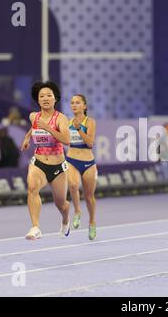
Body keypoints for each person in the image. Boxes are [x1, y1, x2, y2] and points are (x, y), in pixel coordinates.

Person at [20, 81, 71, 240]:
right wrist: (27, 138)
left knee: (61, 204)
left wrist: (48, 128)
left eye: (49, 95)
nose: (45, 98)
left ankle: (65, 219)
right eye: (42, 96)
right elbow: (33, 127)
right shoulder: (34, 116)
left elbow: (66, 140)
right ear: (38, 99)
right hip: (39, 163)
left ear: (55, 99)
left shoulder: (61, 118)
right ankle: (35, 227)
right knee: (32, 188)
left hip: (57, 168)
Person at [66, 94, 98, 240]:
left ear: (84, 106)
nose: (74, 105)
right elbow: (64, 140)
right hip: (71, 159)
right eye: (72, 103)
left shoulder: (90, 122)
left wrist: (79, 129)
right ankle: (77, 211)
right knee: (72, 185)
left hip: (88, 162)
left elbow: (90, 143)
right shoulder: (68, 122)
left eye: (77, 103)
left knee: (89, 196)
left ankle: (92, 222)